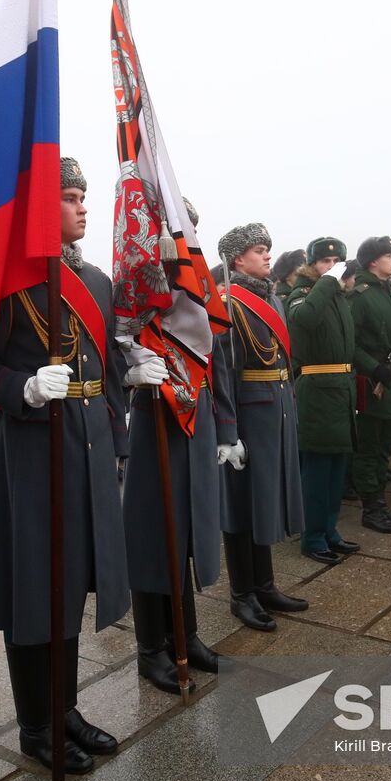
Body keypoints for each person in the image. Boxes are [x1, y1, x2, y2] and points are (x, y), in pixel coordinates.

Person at [0, 157, 130, 773]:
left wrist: (120, 427)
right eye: (69, 197)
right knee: (36, 587)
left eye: (84, 196)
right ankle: (36, 724)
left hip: (89, 440)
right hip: (34, 444)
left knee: (71, 582)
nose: (83, 207)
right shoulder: (8, 279)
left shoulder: (95, 279)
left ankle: (65, 708)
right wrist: (22, 388)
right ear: (43, 208)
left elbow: (108, 366)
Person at [120, 199, 236, 694]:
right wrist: (128, 367)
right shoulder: (132, 285)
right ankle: (152, 648)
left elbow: (217, 361)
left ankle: (187, 633)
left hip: (198, 422)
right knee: (154, 534)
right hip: (154, 418)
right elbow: (111, 347)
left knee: (187, 533)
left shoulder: (196, 282)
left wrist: (226, 429)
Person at [216, 223, 308, 632]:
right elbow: (223, 371)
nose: (268, 255)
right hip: (249, 414)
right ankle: (242, 594)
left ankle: (265, 584)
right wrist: (228, 430)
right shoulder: (229, 302)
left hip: (277, 408)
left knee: (265, 501)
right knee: (241, 505)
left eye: (268, 249)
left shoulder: (271, 298)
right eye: (258, 250)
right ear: (237, 259)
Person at [286, 237, 360, 564]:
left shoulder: (338, 298)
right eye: (325, 262)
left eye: (337, 262)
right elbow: (303, 321)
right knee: (316, 473)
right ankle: (312, 537)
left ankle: (330, 530)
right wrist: (329, 282)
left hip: (341, 389)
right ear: (313, 265)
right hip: (317, 390)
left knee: (335, 470)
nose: (332, 267)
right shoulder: (303, 294)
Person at [347, 236, 391, 534]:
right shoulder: (360, 295)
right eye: (388, 255)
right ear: (374, 261)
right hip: (371, 378)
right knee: (369, 447)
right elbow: (351, 342)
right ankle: (371, 507)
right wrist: (373, 367)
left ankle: (381, 503)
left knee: (386, 443)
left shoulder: (389, 293)